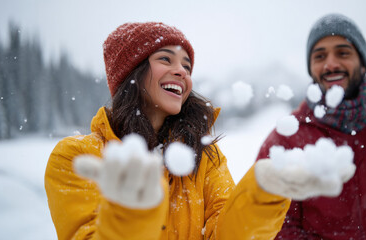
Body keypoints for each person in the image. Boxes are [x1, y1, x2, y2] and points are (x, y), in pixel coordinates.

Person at [45, 22, 298, 240]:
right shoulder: (76, 157)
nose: (182, 72)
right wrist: (131, 214)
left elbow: (224, 234)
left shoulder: (206, 157)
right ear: (131, 72)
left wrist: (263, 197)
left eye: (187, 67)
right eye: (166, 59)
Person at [256, 13, 366, 239]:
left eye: (343, 53)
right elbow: (271, 227)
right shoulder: (286, 139)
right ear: (311, 69)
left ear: (362, 63)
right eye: (319, 56)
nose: (331, 64)